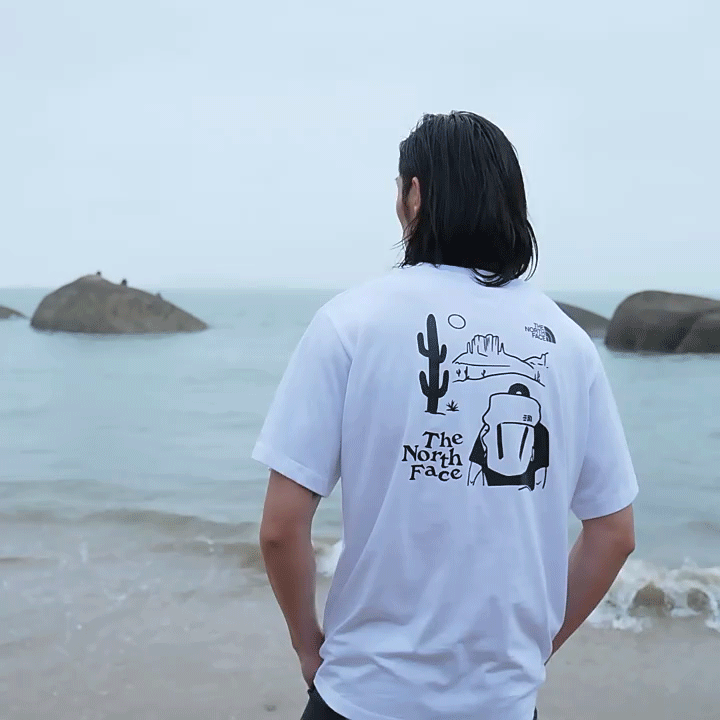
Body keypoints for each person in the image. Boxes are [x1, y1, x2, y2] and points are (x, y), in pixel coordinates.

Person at [253, 112, 637, 720]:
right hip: (503, 703)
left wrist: (307, 644)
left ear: (415, 194)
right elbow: (614, 533)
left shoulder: (350, 322)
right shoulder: (569, 343)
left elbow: (280, 527)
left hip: (362, 695)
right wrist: (535, 651)